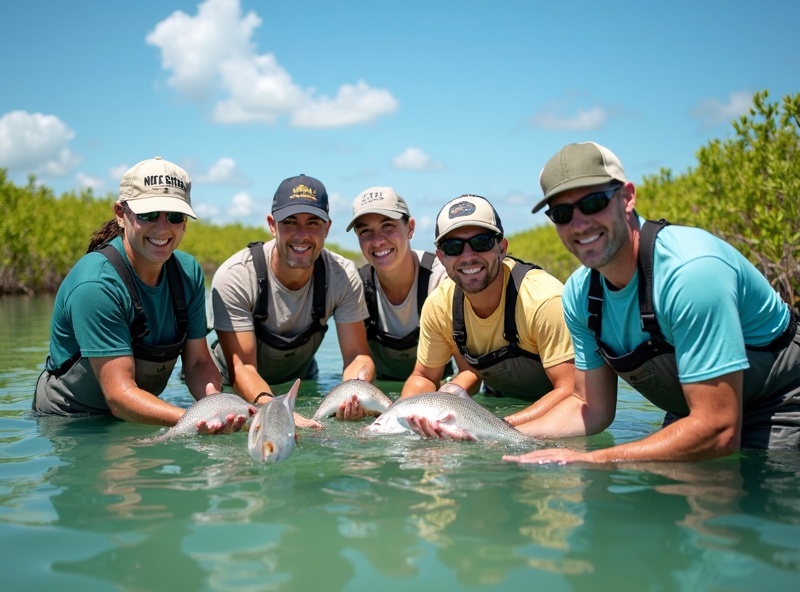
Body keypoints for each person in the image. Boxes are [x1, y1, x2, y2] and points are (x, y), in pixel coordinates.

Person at [504, 141, 800, 465]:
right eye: (562, 213)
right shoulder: (579, 295)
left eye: (593, 202)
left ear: (627, 197)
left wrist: (595, 459)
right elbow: (589, 407)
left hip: (781, 405)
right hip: (693, 413)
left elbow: (718, 429)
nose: (579, 224)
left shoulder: (690, 272)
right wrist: (496, 433)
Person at [33, 157, 245, 434]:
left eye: (174, 216)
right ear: (121, 214)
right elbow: (120, 397)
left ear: (185, 223)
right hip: (72, 423)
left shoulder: (189, 272)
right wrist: (193, 419)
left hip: (141, 413)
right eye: (149, 214)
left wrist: (215, 407)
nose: (163, 227)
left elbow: (198, 362)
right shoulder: (95, 285)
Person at [210, 174, 375, 425]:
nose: (301, 235)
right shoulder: (236, 276)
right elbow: (243, 368)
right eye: (289, 222)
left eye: (313, 223)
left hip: (302, 383)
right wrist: (276, 410)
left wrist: (355, 392)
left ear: (327, 228)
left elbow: (356, 356)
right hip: (229, 388)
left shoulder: (343, 276)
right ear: (272, 225)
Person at [399, 194, 576, 427]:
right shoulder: (439, 306)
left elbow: (571, 391)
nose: (468, 256)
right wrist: (401, 418)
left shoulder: (544, 301)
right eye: (453, 247)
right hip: (497, 403)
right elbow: (424, 376)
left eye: (481, 242)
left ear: (502, 248)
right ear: (441, 257)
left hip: (553, 419)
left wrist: (495, 427)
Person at [346, 186, 450, 381]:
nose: (378, 241)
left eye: (388, 226)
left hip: (438, 386)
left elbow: (468, 370)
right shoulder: (355, 286)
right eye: (365, 231)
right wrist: (356, 387)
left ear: (410, 228)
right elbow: (355, 359)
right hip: (379, 387)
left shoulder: (441, 279)